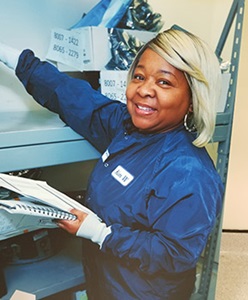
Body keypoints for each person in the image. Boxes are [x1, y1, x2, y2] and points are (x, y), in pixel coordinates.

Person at [0, 28, 224, 300]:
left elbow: (174, 255)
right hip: (105, 285)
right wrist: (12, 57)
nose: (144, 90)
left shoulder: (190, 173)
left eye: (164, 83)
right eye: (139, 77)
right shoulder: (127, 129)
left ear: (192, 100)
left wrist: (102, 234)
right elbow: (74, 97)